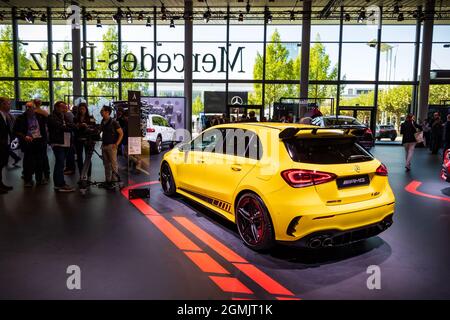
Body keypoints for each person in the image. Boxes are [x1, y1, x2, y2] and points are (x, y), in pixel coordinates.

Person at [13, 101, 48, 187]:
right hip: (28, 142)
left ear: (34, 108)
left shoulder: (40, 117)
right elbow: (16, 131)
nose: (28, 109)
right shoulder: (21, 118)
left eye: (30, 107)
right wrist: (24, 136)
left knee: (40, 161)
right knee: (28, 162)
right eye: (27, 107)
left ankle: (39, 179)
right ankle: (28, 180)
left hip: (39, 141)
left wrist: (45, 139)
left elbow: (45, 127)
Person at [48, 101, 75, 193]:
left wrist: (67, 125)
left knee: (61, 163)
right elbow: (61, 127)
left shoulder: (64, 116)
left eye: (65, 107)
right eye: (62, 107)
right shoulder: (52, 116)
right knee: (60, 163)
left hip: (66, 142)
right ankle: (59, 184)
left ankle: (60, 183)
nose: (65, 109)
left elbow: (71, 124)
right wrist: (67, 126)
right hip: (58, 143)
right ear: (56, 107)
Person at [100, 106, 123, 189]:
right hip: (104, 145)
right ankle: (108, 181)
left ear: (107, 112)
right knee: (106, 165)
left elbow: (121, 133)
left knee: (113, 165)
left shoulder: (114, 122)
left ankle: (114, 182)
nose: (100, 112)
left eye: (102, 110)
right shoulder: (103, 121)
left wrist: (117, 144)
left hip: (111, 146)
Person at [74, 102, 96, 178]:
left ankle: (88, 174)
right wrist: (79, 125)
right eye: (80, 109)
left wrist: (87, 127)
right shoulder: (75, 118)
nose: (82, 110)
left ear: (86, 109)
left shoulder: (91, 117)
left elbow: (94, 128)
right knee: (79, 158)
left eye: (83, 109)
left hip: (88, 140)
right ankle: (81, 173)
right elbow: (73, 128)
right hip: (78, 139)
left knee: (88, 157)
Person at [33, 98, 50, 181]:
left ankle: (41, 173)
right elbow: (48, 124)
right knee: (42, 155)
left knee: (37, 155)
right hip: (41, 136)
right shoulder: (44, 113)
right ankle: (46, 173)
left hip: (36, 136)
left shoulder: (33, 112)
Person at [0, 97, 13, 194]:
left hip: (6, 144)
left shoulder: (5, 115)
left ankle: (1, 184)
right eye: (8, 103)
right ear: (2, 104)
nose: (10, 105)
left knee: (1, 165)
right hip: (1, 144)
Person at [63, 104, 76, 175]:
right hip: (68, 136)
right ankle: (69, 167)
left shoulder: (68, 114)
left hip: (70, 136)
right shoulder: (67, 114)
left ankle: (71, 168)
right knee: (68, 152)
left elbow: (72, 125)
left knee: (69, 153)